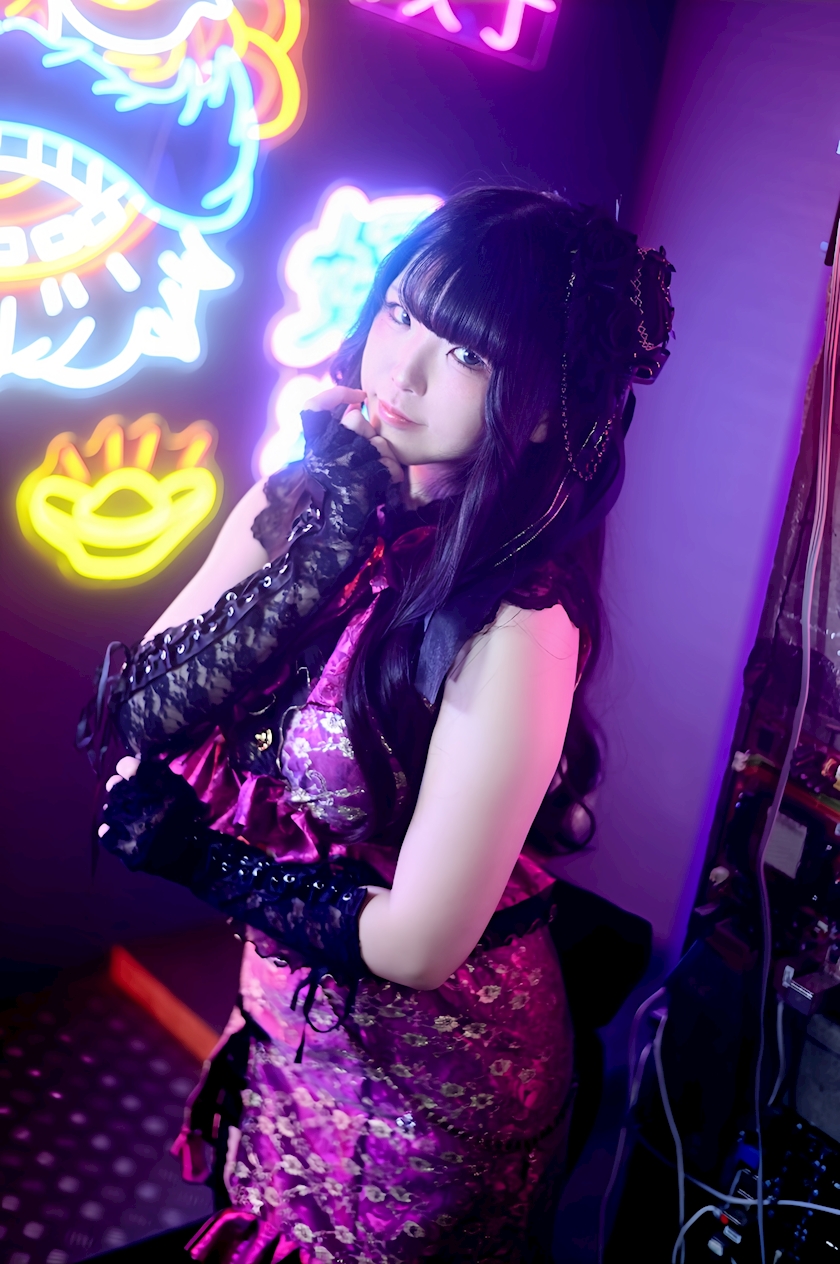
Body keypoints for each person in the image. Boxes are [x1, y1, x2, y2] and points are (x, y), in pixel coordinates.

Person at [82, 187, 673, 1263]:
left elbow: (419, 942)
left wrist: (203, 863)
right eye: (400, 313)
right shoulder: (309, 506)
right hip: (285, 1023)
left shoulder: (521, 624)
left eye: (464, 354)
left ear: (544, 409)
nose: (401, 371)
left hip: (434, 1094)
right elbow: (139, 715)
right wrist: (325, 543)